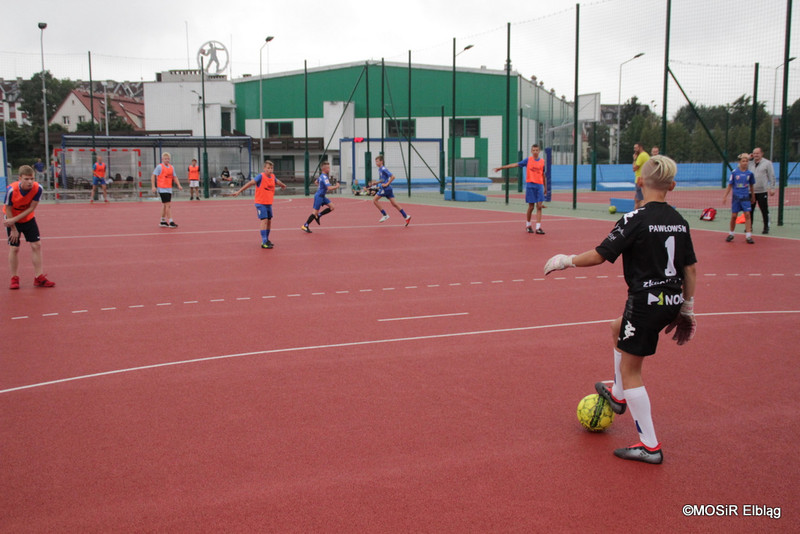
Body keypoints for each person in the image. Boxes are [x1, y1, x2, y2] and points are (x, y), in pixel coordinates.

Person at [544, 155, 697, 465]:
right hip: (671, 301)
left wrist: (566, 260)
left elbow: (601, 254)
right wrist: (687, 307)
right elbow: (690, 269)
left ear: (639, 182)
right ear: (672, 185)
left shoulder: (634, 219)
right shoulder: (679, 221)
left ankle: (649, 446)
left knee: (632, 373)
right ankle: (617, 395)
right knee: (616, 328)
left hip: (645, 304)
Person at [4, 165, 55, 289]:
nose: (30, 182)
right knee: (14, 248)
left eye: (32, 178)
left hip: (28, 219)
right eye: (26, 179)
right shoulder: (11, 190)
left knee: (36, 245)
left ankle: (39, 277)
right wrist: (14, 228)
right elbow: (8, 210)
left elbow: (32, 208)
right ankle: (14, 278)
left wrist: (15, 219)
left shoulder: (38, 189)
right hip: (12, 219)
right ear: (20, 178)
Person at [494, 143, 547, 234]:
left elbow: (543, 174)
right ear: (531, 151)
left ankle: (538, 227)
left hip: (539, 186)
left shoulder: (542, 161)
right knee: (531, 207)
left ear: (539, 151)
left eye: (537, 150)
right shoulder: (528, 160)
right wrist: (502, 167)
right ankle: (528, 225)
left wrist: (545, 187)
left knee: (539, 207)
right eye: (533, 150)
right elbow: (515, 164)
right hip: (530, 185)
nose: (535, 152)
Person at [232, 160, 287, 248]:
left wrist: (283, 185)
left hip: (269, 203)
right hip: (260, 203)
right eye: (268, 168)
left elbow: (277, 181)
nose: (270, 170)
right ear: (264, 168)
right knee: (264, 220)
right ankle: (264, 241)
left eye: (271, 168)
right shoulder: (260, 177)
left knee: (269, 221)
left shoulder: (273, 177)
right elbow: (250, 183)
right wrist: (239, 191)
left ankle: (267, 239)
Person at [722, 153, 755, 244]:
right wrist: (725, 196)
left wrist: (753, 195)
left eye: (746, 161)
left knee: (747, 215)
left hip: (745, 197)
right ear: (739, 162)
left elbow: (751, 185)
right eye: (743, 161)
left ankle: (748, 236)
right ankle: (731, 233)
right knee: (734, 216)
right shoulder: (734, 172)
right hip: (736, 198)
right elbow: (730, 185)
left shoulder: (749, 173)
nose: (745, 163)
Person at [372, 155, 411, 226]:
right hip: (388, 189)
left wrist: (387, 184)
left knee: (374, 200)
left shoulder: (384, 169)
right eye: (375, 161)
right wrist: (376, 182)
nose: (376, 163)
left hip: (386, 188)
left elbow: (393, 177)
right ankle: (406, 216)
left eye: (377, 161)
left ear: (381, 161)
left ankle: (385, 215)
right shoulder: (380, 169)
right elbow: (383, 179)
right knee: (394, 204)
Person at [301, 161, 338, 233]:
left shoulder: (322, 176)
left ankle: (319, 215)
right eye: (328, 168)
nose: (329, 169)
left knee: (332, 207)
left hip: (322, 196)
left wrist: (320, 186)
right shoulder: (324, 177)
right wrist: (337, 186)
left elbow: (316, 182)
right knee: (314, 212)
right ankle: (305, 225)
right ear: (324, 169)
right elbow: (329, 188)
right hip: (319, 196)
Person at [748, 147, 776, 234]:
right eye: (754, 153)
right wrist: (747, 158)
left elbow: (771, 176)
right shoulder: (749, 163)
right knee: (749, 210)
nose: (756, 155)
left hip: (762, 191)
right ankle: (749, 227)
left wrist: (772, 188)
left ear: (761, 154)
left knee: (764, 210)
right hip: (751, 191)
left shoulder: (767, 163)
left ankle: (766, 227)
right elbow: (740, 167)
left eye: (757, 153)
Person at [150, 152, 183, 228]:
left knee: (165, 205)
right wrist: (153, 186)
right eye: (165, 159)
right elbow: (153, 176)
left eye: (168, 159)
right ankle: (171, 221)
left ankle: (162, 221)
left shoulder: (171, 167)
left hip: (169, 188)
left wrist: (179, 185)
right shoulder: (159, 167)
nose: (167, 160)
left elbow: (175, 177)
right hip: (162, 188)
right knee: (168, 205)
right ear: (162, 159)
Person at [632, 142, 650, 210]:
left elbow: (634, 168)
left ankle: (640, 215)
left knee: (641, 200)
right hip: (644, 179)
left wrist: (634, 159)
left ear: (640, 147)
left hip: (640, 180)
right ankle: (635, 214)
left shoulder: (641, 156)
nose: (635, 150)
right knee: (637, 199)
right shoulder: (646, 155)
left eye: (636, 148)